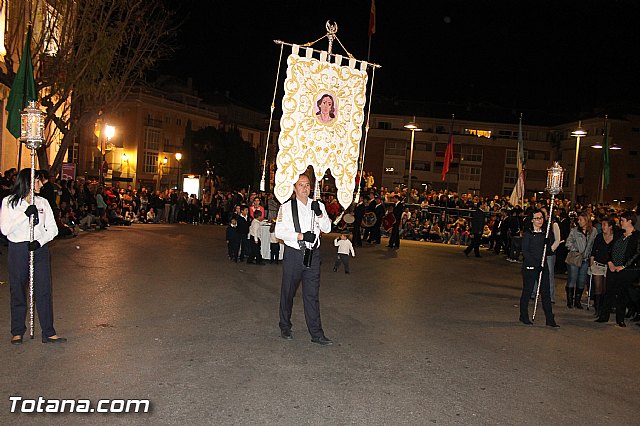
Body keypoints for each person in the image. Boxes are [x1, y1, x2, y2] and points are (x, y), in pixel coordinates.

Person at [0, 169, 66, 344]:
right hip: (18, 250)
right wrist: (25, 214)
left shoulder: (43, 202)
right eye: (38, 181)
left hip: (39, 249)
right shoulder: (9, 202)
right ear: (28, 182)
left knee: (43, 290)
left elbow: (53, 229)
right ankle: (17, 330)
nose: (41, 184)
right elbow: (5, 229)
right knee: (18, 290)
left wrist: (40, 241)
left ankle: (48, 332)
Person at [275, 174, 332, 345]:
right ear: (294, 187)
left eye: (307, 185)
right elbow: (279, 232)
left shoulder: (318, 205)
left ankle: (316, 333)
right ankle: (285, 325)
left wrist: (320, 214)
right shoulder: (286, 207)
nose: (305, 188)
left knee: (312, 295)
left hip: (313, 255)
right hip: (294, 254)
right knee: (288, 292)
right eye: (301, 185)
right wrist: (299, 236)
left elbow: (328, 228)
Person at [595, 211, 640, 327]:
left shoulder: (637, 236)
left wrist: (624, 266)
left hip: (625, 270)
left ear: (630, 221)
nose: (620, 222)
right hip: (612, 267)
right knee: (608, 292)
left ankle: (620, 319)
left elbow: (637, 254)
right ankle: (603, 316)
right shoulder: (619, 233)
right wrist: (610, 262)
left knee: (622, 294)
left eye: (623, 220)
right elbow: (610, 248)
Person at [519, 209, 559, 327]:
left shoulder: (545, 233)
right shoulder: (528, 234)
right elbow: (525, 252)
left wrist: (549, 244)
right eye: (537, 218)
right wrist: (536, 264)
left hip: (543, 266)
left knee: (545, 292)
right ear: (532, 220)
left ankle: (550, 319)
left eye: (541, 218)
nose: (539, 220)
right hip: (531, 266)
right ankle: (524, 315)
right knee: (528, 291)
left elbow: (549, 252)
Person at [565, 212, 597, 309]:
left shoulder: (593, 231)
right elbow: (568, 243)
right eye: (578, 219)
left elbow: (593, 244)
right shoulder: (574, 230)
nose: (578, 221)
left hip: (586, 259)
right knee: (572, 279)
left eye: (580, 220)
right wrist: (576, 249)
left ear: (587, 220)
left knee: (581, 280)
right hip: (575, 257)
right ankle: (570, 300)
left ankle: (577, 301)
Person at [589, 216, 614, 317]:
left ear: (610, 226)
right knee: (598, 288)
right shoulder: (599, 236)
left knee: (605, 288)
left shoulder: (615, 237)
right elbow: (594, 249)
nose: (602, 227)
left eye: (605, 225)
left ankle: (604, 308)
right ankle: (597, 309)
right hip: (598, 264)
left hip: (609, 266)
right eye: (602, 225)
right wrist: (592, 260)